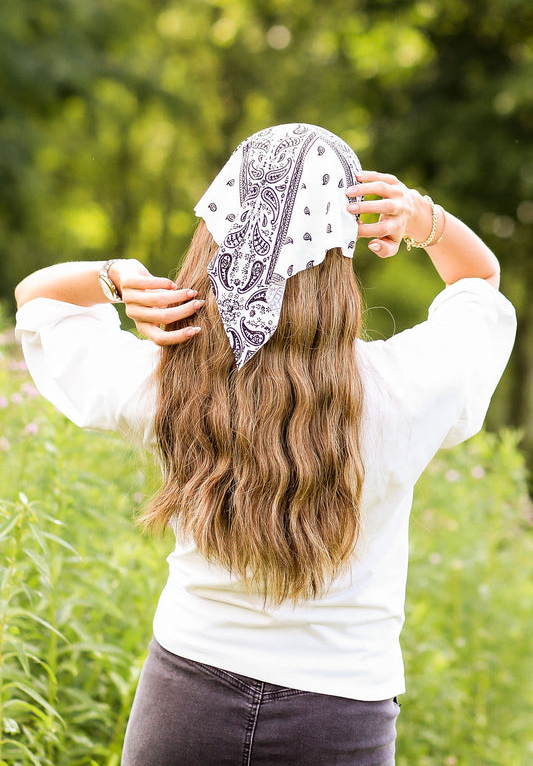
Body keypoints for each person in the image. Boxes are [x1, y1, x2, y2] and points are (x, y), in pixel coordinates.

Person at [15, 123, 516, 766]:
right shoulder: (405, 389)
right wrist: (427, 221)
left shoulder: (166, 383)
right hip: (340, 719)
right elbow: (479, 285)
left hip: (183, 703)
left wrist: (114, 280)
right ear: (337, 250)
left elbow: (38, 301)